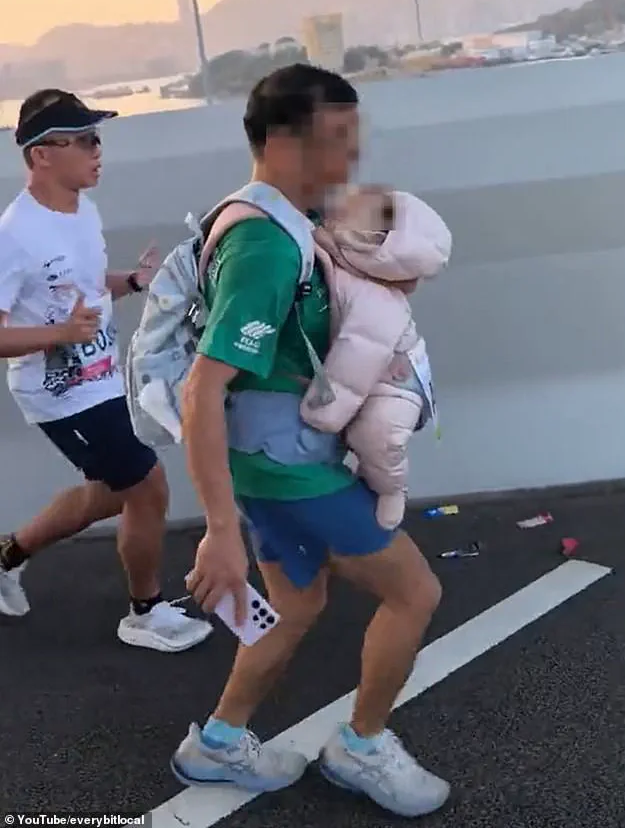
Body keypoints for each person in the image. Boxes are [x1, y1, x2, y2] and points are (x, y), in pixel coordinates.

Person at [172, 64, 450, 817]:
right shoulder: (264, 245)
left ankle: (218, 742)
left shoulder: (282, 220)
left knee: (295, 605)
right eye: (337, 139)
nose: (352, 157)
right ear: (283, 142)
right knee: (414, 592)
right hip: (290, 471)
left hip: (271, 465)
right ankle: (363, 746)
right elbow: (204, 389)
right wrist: (219, 532)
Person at [0, 88, 212, 654]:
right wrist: (60, 336)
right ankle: (144, 611)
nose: (98, 151)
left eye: (98, 139)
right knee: (146, 486)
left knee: (112, 492)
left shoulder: (81, 211)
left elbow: (82, 290)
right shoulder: (13, 235)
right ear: (42, 154)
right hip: (60, 393)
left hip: (104, 378)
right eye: (85, 140)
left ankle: (8, 555)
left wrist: (135, 282)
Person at [300, 186, 452, 530]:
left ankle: (391, 488)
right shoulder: (334, 253)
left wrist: (322, 413)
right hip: (371, 366)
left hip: (396, 382)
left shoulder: (376, 301)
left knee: (379, 438)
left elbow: (355, 360)